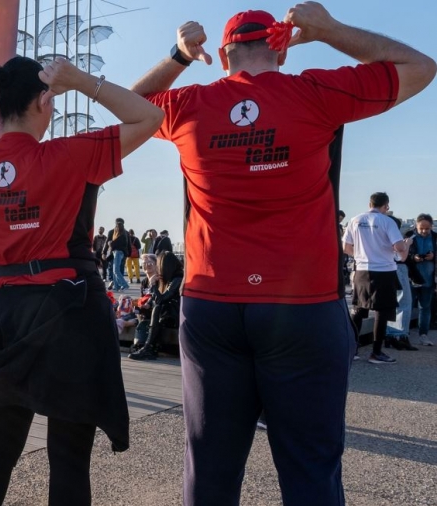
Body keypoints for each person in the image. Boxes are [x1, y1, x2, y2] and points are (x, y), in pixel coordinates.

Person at [130, 3, 434, 504]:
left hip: (213, 303)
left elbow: (128, 105)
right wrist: (330, 30)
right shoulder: (314, 92)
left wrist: (179, 56)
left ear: (223, 56)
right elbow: (420, 67)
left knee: (210, 467)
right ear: (282, 51)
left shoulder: (189, 103)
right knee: (311, 469)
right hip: (302, 304)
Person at [0, 55, 163, 505]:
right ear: (43, 101)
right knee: (69, 458)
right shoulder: (70, 153)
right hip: (68, 313)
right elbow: (149, 117)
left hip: (2, 316)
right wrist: (82, 81)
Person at [344, 193, 410, 364]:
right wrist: (407, 245)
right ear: (386, 206)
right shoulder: (387, 221)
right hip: (384, 271)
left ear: (369, 204)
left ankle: (352, 350)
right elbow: (399, 246)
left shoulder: (355, 220)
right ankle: (376, 352)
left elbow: (346, 247)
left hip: (362, 271)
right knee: (382, 312)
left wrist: (361, 255)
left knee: (359, 310)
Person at [129, 250, 183, 361]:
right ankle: (147, 346)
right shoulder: (168, 279)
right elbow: (157, 298)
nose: (158, 269)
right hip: (167, 315)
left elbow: (161, 300)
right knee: (151, 310)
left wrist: (153, 284)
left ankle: (148, 347)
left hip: (177, 315)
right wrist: (147, 303)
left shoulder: (177, 279)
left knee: (158, 307)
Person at [409, 213, 437, 346]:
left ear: (431, 226)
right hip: (411, 278)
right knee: (407, 307)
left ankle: (423, 334)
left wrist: (433, 256)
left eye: (427, 228)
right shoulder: (410, 237)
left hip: (428, 279)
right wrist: (413, 257)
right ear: (416, 226)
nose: (424, 231)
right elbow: (401, 254)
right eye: (421, 228)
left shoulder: (435, 238)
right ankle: (402, 334)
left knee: (425, 307)